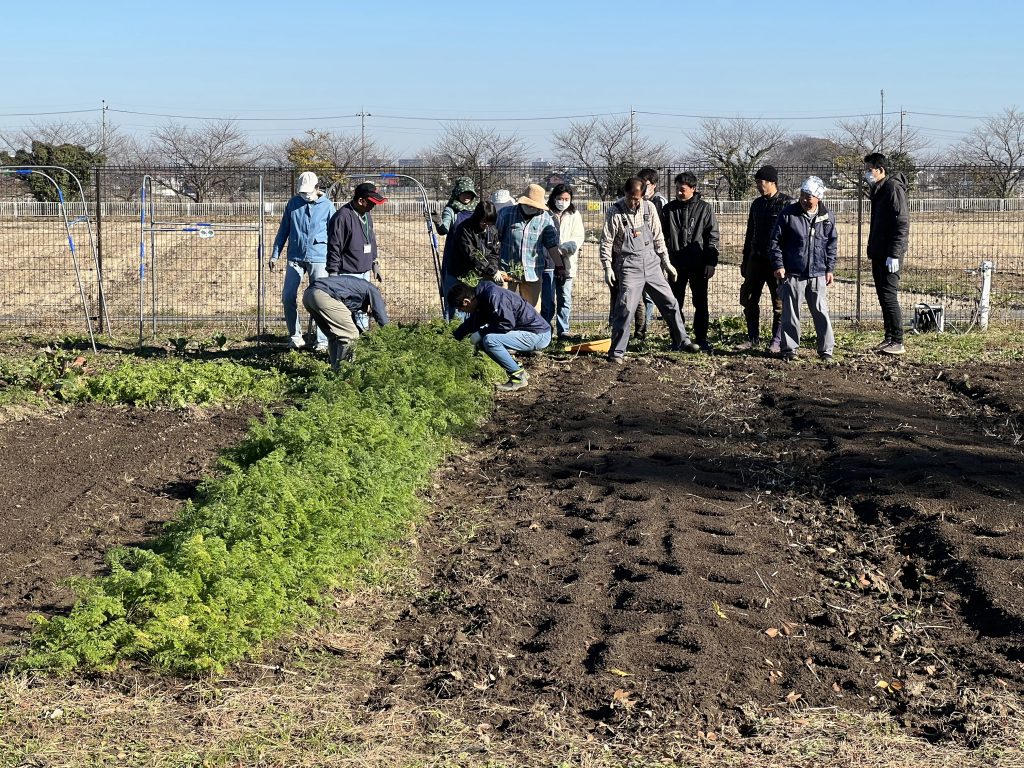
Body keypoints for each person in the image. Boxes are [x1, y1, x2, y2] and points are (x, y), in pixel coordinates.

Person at [600, 177, 700, 363]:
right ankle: (617, 352)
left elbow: (658, 237)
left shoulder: (649, 208)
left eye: (637, 199)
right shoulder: (615, 211)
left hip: (652, 263)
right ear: (625, 193)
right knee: (626, 308)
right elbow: (606, 242)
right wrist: (607, 267)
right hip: (628, 265)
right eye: (630, 198)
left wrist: (666, 263)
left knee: (670, 302)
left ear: (643, 196)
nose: (633, 202)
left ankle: (682, 341)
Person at [769, 176, 836, 361]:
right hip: (793, 273)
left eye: (809, 196)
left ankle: (826, 350)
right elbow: (775, 242)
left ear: (819, 197)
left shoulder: (827, 217)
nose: (805, 200)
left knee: (821, 312)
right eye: (803, 195)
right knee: (790, 313)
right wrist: (779, 265)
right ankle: (789, 349)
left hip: (818, 272)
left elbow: (831, 244)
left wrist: (829, 269)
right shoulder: (788, 214)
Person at [269, 171, 337, 350]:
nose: (305, 195)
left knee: (320, 299)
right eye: (302, 192)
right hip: (295, 257)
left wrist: (335, 259)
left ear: (317, 188)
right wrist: (275, 253)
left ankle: (322, 340)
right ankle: (296, 336)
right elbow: (284, 229)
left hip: (319, 257)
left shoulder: (328, 206)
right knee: (288, 296)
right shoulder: (293, 204)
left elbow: (335, 235)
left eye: (308, 192)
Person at [448, 281, 551, 392]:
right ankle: (519, 370)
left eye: (460, 308)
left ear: (466, 302)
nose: (460, 311)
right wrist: (452, 337)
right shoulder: (481, 298)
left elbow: (507, 323)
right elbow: (472, 323)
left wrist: (482, 332)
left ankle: (518, 378)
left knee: (490, 340)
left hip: (538, 335)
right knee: (483, 341)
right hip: (527, 332)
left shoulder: (493, 296)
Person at [662, 172, 720, 351]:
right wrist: (664, 261)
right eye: (677, 189)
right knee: (674, 302)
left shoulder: (704, 208)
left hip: (698, 263)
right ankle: (677, 338)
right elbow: (661, 236)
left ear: (693, 189)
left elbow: (712, 236)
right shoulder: (668, 209)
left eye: (683, 189)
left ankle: (701, 338)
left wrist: (711, 262)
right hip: (675, 264)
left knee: (700, 302)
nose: (679, 192)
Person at [739, 165, 792, 352]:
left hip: (777, 262)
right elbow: (749, 232)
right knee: (750, 299)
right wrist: (745, 259)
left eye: (761, 182)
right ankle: (752, 338)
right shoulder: (757, 204)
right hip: (756, 259)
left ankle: (776, 341)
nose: (758, 186)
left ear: (772, 182)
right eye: (757, 182)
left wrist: (786, 262)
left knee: (779, 302)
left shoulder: (787, 204)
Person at [864, 152, 910, 355]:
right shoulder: (879, 189)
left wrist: (894, 253)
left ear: (880, 170)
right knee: (883, 296)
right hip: (879, 252)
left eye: (869, 170)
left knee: (889, 296)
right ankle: (889, 337)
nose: (866, 174)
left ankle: (898, 340)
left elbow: (901, 222)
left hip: (890, 253)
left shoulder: (893, 187)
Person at [326, 182, 387, 331]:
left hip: (364, 271)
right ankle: (353, 342)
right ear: (360, 201)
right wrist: (333, 274)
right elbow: (334, 247)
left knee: (364, 309)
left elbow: (371, 240)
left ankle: (364, 339)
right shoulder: (342, 217)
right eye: (371, 202)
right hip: (348, 273)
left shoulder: (366, 215)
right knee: (350, 311)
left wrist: (374, 262)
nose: (373, 206)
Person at [495, 183, 563, 308]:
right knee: (503, 307)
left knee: (531, 311)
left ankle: (528, 328)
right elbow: (494, 239)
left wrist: (560, 266)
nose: (533, 208)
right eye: (530, 205)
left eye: (535, 207)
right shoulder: (506, 214)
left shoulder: (545, 219)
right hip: (507, 270)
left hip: (532, 271)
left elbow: (552, 246)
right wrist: (493, 266)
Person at [302, 273, 389, 370]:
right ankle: (344, 374)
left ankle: (335, 372)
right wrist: (391, 337)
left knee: (333, 336)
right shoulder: (372, 290)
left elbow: (349, 322)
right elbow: (381, 315)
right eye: (370, 312)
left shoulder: (355, 292)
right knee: (350, 336)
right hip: (324, 295)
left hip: (309, 295)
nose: (369, 314)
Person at [442, 201, 502, 319]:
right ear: (477, 217)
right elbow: (472, 254)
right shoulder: (465, 229)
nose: (486, 225)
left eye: (490, 222)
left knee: (473, 307)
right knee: (457, 308)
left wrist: (494, 268)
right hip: (459, 273)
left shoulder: (492, 231)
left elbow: (494, 253)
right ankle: (452, 334)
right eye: (484, 221)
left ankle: (470, 333)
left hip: (477, 275)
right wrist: (492, 270)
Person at [544, 184, 586, 339]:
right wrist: (552, 251)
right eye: (560, 198)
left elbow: (578, 237)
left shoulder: (574, 214)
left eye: (566, 199)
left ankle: (563, 330)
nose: (562, 201)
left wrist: (562, 249)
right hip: (548, 261)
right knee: (547, 300)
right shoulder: (546, 213)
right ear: (554, 198)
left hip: (567, 261)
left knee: (565, 298)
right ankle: (545, 330)